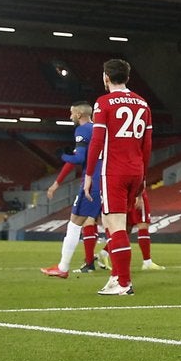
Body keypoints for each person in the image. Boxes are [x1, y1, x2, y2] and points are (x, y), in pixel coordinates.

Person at [83, 59, 152, 296]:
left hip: (114, 170)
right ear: (127, 77)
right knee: (112, 222)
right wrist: (143, 178)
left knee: (115, 225)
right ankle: (115, 277)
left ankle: (124, 282)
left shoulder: (104, 103)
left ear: (106, 77)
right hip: (136, 170)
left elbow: (97, 141)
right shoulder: (143, 103)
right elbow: (148, 144)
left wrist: (89, 173)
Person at [40, 102, 103, 278]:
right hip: (108, 179)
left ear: (79, 114)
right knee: (116, 225)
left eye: (72, 113)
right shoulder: (98, 130)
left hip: (93, 182)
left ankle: (63, 267)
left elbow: (79, 158)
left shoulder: (82, 130)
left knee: (74, 224)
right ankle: (115, 271)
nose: (70, 116)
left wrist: (62, 155)